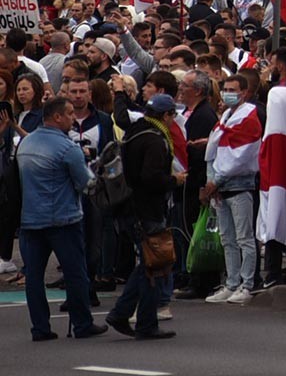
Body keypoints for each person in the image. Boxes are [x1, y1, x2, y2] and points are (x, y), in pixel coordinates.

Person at [15, 94, 108, 341]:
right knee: (76, 272)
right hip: (64, 219)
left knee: (33, 277)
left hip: (30, 218)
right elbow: (88, 185)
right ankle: (82, 323)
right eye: (68, 114)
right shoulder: (67, 147)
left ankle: (40, 328)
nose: (72, 118)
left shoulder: (26, 143)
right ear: (57, 117)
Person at [104, 93, 181, 342]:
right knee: (154, 265)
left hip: (129, 207)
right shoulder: (155, 140)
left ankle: (124, 313)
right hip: (146, 210)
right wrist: (175, 180)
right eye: (172, 116)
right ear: (166, 115)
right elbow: (151, 178)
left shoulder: (135, 131)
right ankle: (143, 321)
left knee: (148, 264)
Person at [201, 73, 261, 304]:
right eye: (225, 88)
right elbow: (216, 148)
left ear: (244, 93)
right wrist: (212, 179)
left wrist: (216, 180)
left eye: (233, 89)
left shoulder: (249, 118)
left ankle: (247, 284)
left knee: (244, 238)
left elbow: (242, 155)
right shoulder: (226, 116)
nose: (227, 93)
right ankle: (231, 282)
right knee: (227, 238)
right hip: (219, 184)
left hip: (239, 185)